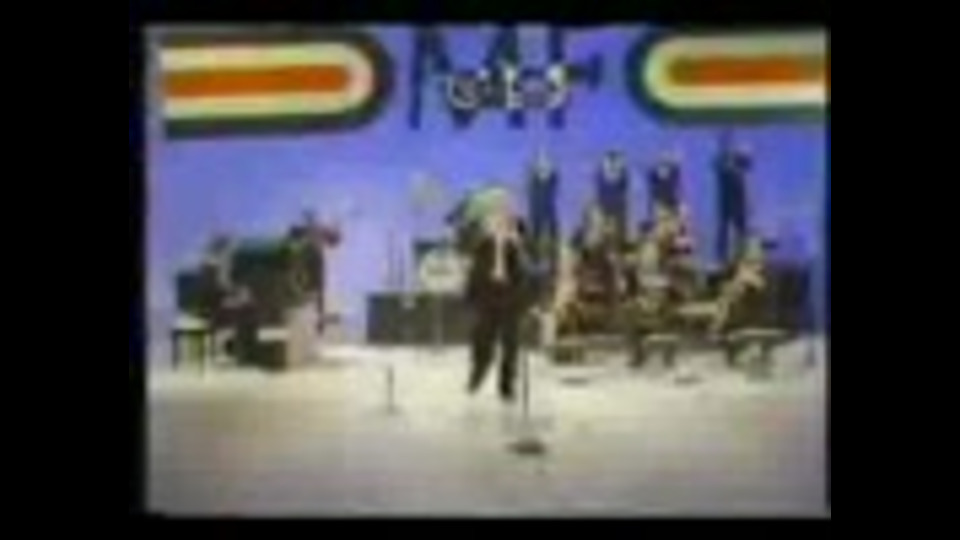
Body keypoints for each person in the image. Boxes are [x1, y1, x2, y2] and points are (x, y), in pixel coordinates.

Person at [464, 199, 533, 403]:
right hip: (488, 299)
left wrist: (518, 246)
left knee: (510, 346)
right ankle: (478, 372)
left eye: (505, 221)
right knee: (482, 340)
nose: (501, 225)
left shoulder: (518, 246)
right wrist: (471, 297)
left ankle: (506, 385)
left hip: (510, 301)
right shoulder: (482, 245)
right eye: (496, 222)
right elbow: (474, 273)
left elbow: (525, 275)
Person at [714, 131, 752, 264]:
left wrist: (742, 153)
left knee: (740, 230)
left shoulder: (739, 163)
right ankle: (722, 258)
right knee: (724, 230)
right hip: (726, 203)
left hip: (738, 202)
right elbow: (717, 165)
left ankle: (741, 255)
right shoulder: (722, 163)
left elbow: (748, 162)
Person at [595, 151, 631, 244]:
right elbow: (600, 187)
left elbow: (624, 186)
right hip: (606, 203)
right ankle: (605, 240)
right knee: (604, 226)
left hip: (615, 204)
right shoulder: (601, 171)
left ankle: (619, 240)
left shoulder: (621, 171)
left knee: (618, 226)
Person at [647, 150, 682, 216]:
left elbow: (676, 173)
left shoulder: (672, 175)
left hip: (668, 201)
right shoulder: (655, 176)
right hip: (660, 201)